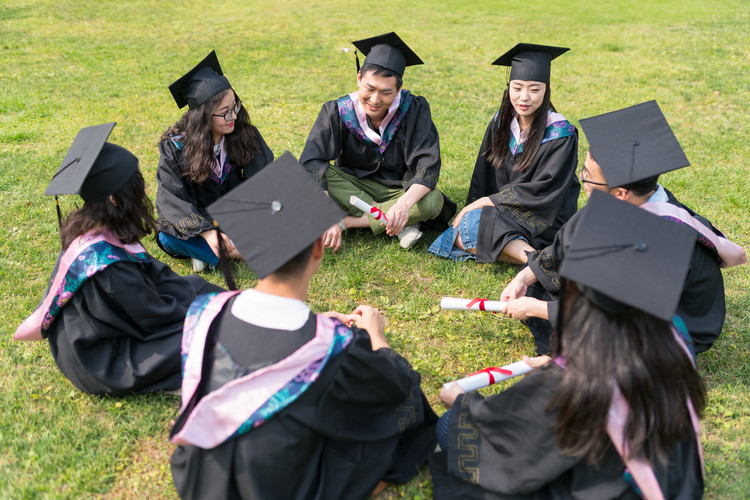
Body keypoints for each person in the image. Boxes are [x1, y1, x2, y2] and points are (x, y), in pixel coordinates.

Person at [169, 153, 437, 499]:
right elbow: (397, 383)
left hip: (200, 476)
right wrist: (375, 333)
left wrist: (316, 324)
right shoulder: (331, 347)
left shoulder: (206, 311)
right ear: (318, 250)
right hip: (273, 488)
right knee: (409, 407)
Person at [430, 191, 706, 499]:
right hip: (675, 479)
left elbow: (505, 426)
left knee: (449, 427)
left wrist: (460, 401)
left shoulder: (578, 378)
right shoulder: (674, 336)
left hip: (612, 487)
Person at [501, 100, 746, 354]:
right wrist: (524, 277)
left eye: (587, 176)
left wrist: (534, 308)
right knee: (545, 284)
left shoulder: (661, 240)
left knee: (595, 353)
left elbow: (612, 315)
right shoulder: (635, 197)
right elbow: (567, 244)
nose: (582, 182)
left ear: (620, 193)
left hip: (666, 328)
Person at [14, 123, 223, 396]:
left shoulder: (100, 226)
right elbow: (152, 315)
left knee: (203, 295)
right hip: (102, 361)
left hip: (101, 336)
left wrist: (209, 296)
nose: (141, 186)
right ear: (114, 197)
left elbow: (155, 276)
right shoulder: (105, 265)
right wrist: (207, 311)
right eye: (134, 182)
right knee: (213, 335)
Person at [300, 32, 455, 250]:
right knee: (313, 175)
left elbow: (427, 167)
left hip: (398, 189)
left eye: (385, 92)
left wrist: (403, 205)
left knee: (433, 201)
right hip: (352, 184)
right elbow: (312, 162)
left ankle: (349, 222)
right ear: (358, 78)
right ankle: (402, 223)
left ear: (398, 89)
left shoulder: (414, 109)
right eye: (369, 88)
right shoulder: (337, 110)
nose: (375, 100)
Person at [429, 43, 579, 264]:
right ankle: (536, 258)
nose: (524, 98)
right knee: (467, 227)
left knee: (469, 232)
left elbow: (545, 190)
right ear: (509, 87)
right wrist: (476, 205)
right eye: (517, 88)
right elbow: (485, 172)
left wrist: (487, 203)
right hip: (505, 212)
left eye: (535, 89)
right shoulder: (501, 123)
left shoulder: (560, 133)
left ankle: (533, 261)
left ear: (546, 90)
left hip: (544, 217)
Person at [155, 50, 274, 272]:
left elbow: (263, 179)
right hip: (198, 219)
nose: (234, 117)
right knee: (167, 237)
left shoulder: (244, 134)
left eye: (235, 107)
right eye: (225, 112)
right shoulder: (175, 148)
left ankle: (215, 253)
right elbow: (170, 199)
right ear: (204, 117)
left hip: (234, 215)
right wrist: (207, 232)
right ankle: (243, 252)